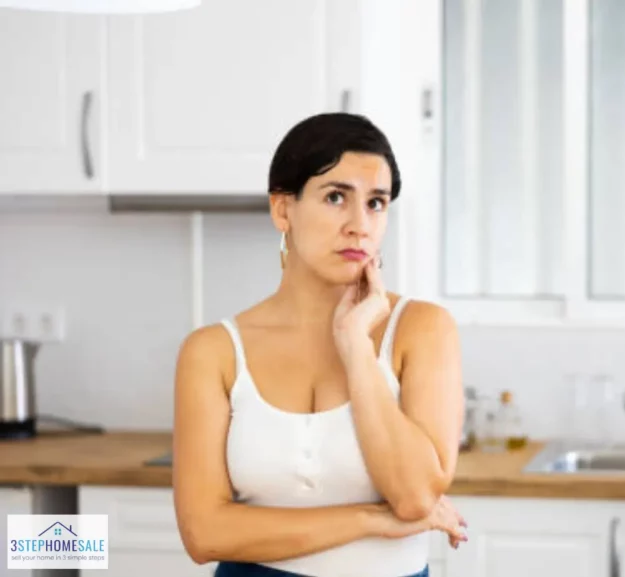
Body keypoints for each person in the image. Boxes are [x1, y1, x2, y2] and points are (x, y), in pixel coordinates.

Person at [171, 112, 467, 577]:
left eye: (376, 203)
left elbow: (414, 498)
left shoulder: (422, 329)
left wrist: (355, 348)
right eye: (335, 197)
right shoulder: (213, 351)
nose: (359, 224)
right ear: (282, 210)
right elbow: (204, 534)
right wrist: (370, 519)